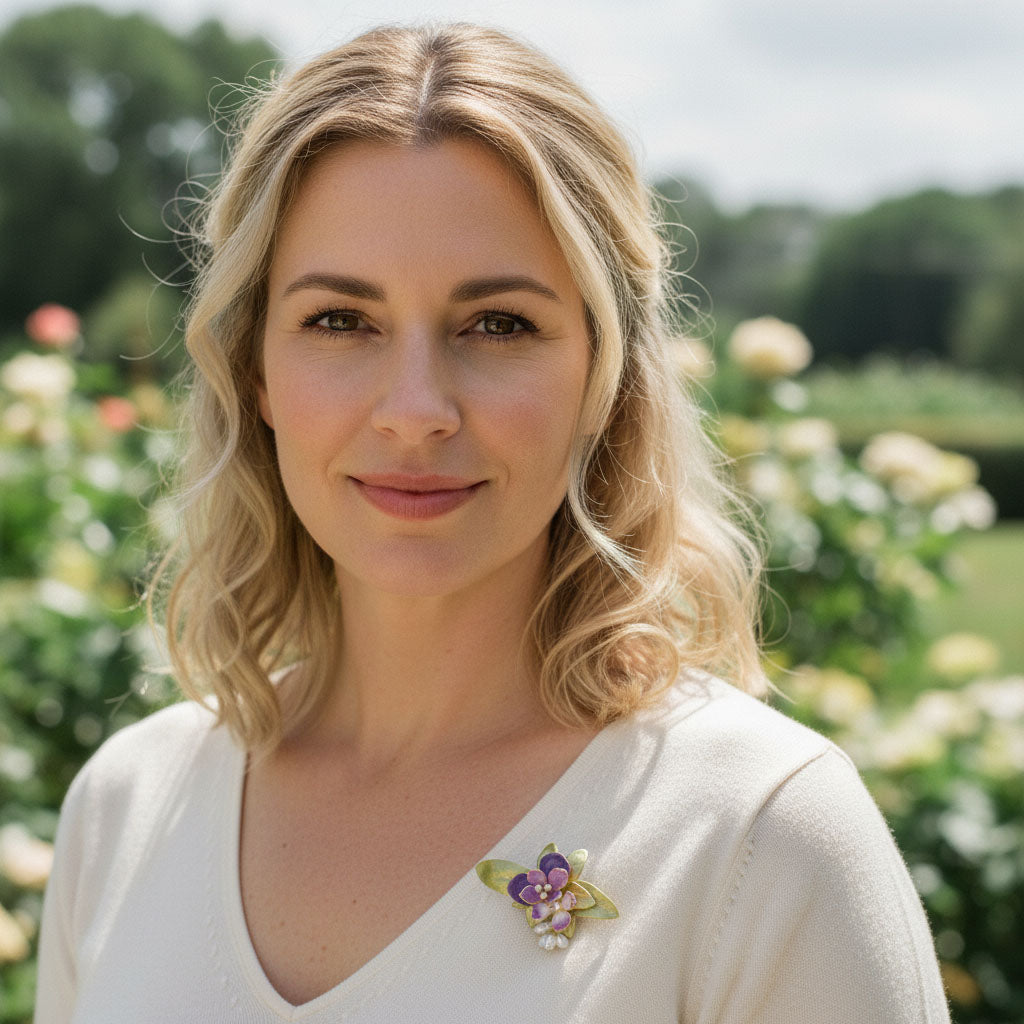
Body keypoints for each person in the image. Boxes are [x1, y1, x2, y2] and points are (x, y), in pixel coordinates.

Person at [34, 22, 950, 1023]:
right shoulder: (125, 806)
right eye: (341, 320)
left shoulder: (757, 837)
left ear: (602, 376)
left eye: (498, 325)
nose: (415, 407)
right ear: (254, 366)